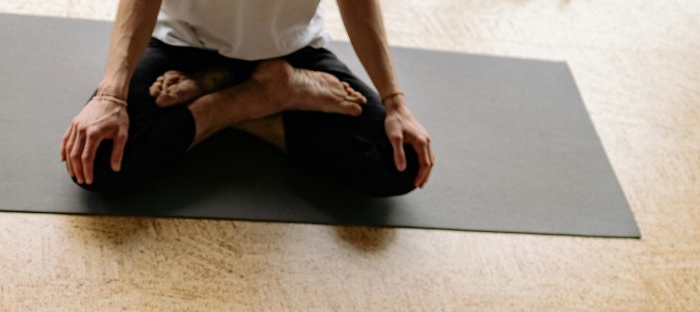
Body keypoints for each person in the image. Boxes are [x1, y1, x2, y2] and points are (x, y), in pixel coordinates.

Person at [61, 0, 434, 196]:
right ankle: (259, 95)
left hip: (290, 54)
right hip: (186, 47)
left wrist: (395, 103)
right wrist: (112, 95)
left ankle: (229, 92)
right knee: (98, 162)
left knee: (400, 163)